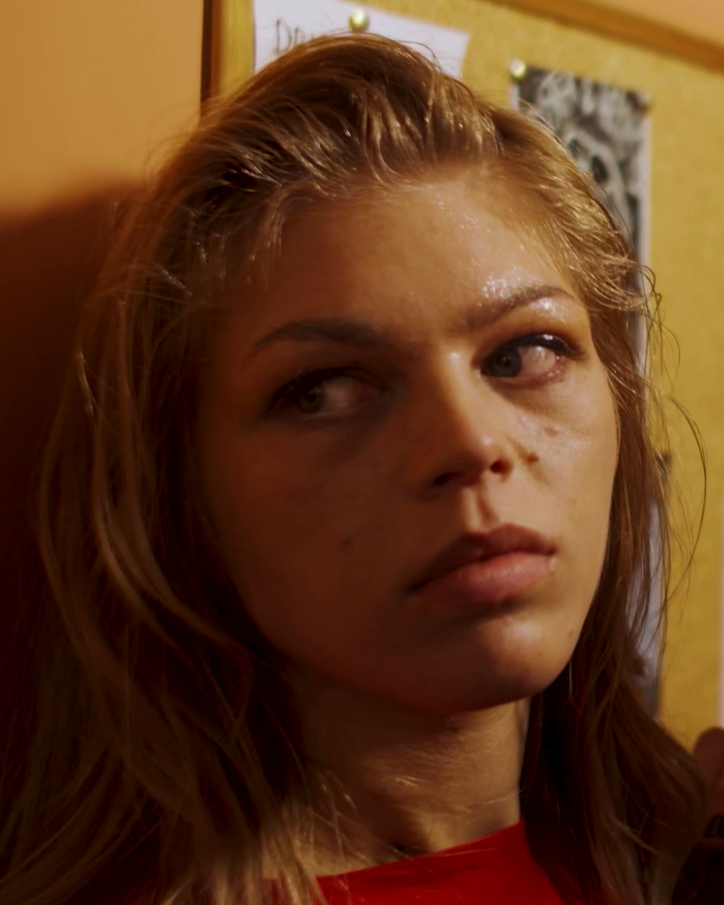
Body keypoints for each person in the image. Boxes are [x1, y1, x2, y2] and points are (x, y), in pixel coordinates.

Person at [0, 33, 722, 905]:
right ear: (179, 489)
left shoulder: (669, 854)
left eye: (523, 351)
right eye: (325, 391)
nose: (468, 442)